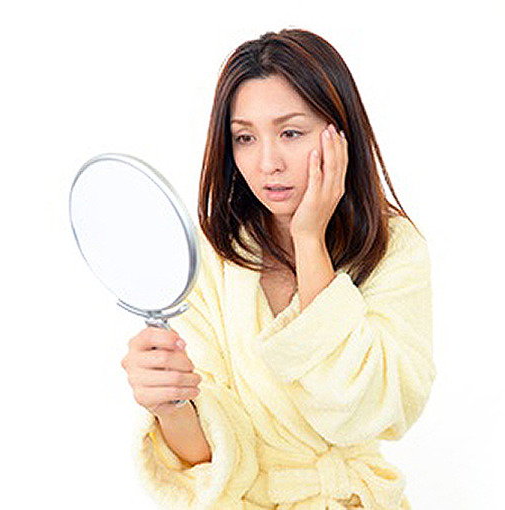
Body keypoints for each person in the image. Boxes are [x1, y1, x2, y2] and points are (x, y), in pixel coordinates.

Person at [119, 28, 436, 510]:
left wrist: (310, 240)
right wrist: (170, 404)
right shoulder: (210, 258)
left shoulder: (393, 249)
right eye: (245, 138)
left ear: (340, 134)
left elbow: (366, 410)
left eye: (290, 133)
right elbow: (214, 459)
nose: (268, 163)